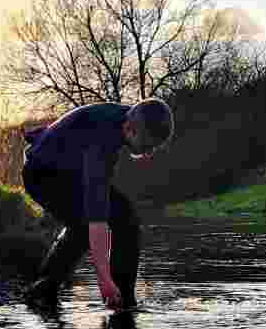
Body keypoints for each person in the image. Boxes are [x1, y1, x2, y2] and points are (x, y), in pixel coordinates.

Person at [21, 97, 174, 313]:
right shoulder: (101, 142)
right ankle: (43, 290)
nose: (148, 153)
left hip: (70, 173)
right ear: (130, 130)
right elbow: (98, 219)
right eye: (148, 146)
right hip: (41, 176)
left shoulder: (133, 118)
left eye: (154, 148)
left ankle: (124, 298)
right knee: (84, 225)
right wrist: (103, 280)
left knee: (126, 218)